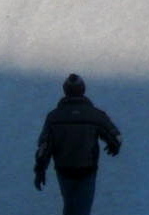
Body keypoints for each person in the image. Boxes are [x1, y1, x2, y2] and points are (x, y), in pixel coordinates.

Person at [33, 74, 122, 215]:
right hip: (87, 169)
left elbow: (45, 146)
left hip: (64, 169)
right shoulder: (95, 115)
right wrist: (114, 145)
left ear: (65, 91)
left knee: (69, 205)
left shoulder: (54, 117)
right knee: (83, 208)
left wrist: (40, 170)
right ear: (83, 90)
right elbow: (115, 136)